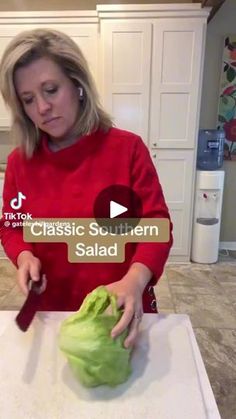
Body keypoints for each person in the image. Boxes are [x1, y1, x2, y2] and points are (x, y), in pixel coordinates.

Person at [0, 29, 173, 348]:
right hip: (55, 316)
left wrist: (135, 281)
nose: (41, 108)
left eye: (51, 90)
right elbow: (12, 227)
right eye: (28, 100)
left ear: (78, 85)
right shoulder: (20, 163)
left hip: (118, 313)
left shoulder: (128, 149)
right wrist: (23, 255)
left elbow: (157, 227)